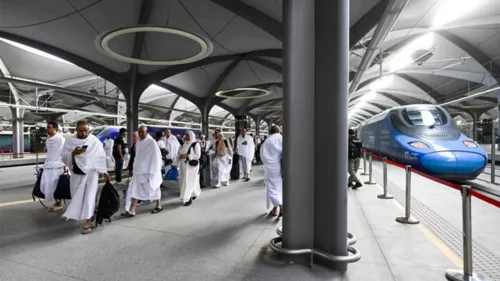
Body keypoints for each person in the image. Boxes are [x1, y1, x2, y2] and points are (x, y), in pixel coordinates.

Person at [61, 120, 107, 234]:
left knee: (90, 196)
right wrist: (73, 153)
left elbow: (101, 156)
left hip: (92, 173)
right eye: (81, 131)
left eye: (86, 130)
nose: (84, 133)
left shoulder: (94, 141)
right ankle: (86, 215)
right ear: (76, 130)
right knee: (77, 195)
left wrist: (104, 171)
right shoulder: (70, 141)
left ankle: (88, 221)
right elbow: (63, 156)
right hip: (77, 173)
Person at [122, 126, 164, 217]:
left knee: (154, 187)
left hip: (149, 171)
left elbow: (156, 157)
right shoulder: (139, 143)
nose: (140, 134)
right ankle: (132, 209)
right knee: (134, 189)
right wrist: (133, 168)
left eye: (142, 132)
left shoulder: (151, 142)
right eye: (139, 132)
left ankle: (159, 205)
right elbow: (138, 157)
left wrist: (154, 171)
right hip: (138, 171)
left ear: (146, 131)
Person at [40, 121, 67, 212]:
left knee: (56, 184)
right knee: (48, 184)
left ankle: (59, 203)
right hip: (49, 164)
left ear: (55, 128)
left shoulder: (60, 139)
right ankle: (57, 201)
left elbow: (64, 152)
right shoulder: (48, 139)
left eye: (49, 127)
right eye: (47, 127)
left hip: (58, 165)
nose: (47, 129)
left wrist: (65, 165)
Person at [261, 125, 283, 216]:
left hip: (271, 167)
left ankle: (280, 205)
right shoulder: (282, 138)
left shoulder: (267, 141)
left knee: (271, 187)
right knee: (278, 186)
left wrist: (267, 163)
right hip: (280, 165)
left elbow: (263, 155)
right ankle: (275, 208)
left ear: (270, 132)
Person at [177, 130, 202, 206]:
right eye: (186, 135)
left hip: (191, 167)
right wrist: (178, 159)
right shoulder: (183, 144)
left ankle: (187, 198)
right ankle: (193, 193)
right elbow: (179, 154)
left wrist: (188, 156)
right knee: (184, 181)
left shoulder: (195, 144)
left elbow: (198, 155)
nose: (186, 137)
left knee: (188, 181)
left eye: (188, 135)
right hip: (183, 166)